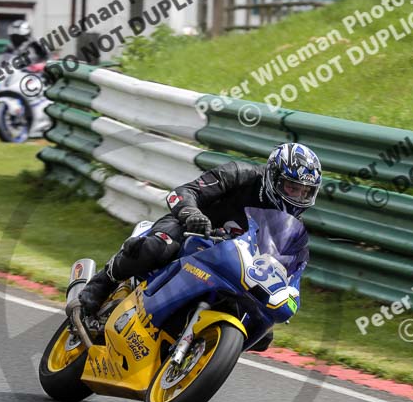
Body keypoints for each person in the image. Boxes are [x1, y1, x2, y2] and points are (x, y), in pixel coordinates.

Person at [78, 142, 322, 349]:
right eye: (292, 187)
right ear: (273, 176)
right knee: (157, 248)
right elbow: (182, 192)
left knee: (262, 334)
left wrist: (285, 295)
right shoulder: (241, 174)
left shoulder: (290, 227)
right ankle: (101, 283)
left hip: (229, 263)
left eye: (305, 192)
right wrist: (192, 214)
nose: (297, 197)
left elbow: (285, 268)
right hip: (189, 231)